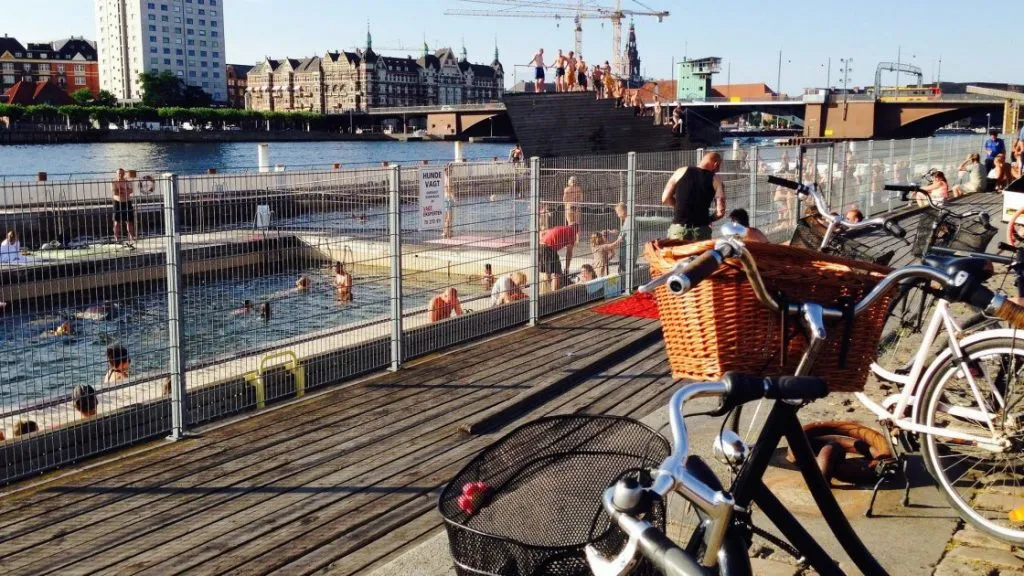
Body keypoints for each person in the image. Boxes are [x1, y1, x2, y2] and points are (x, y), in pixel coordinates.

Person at [661, 152, 726, 241]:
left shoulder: (680, 171)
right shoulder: (716, 180)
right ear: (715, 164)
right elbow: (720, 211)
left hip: (678, 230)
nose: (718, 170)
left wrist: (680, 207)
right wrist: (708, 219)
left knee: (677, 254)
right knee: (702, 255)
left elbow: (665, 199)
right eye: (718, 167)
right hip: (701, 230)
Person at [539, 223, 578, 290]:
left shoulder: (560, 227)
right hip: (549, 248)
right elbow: (569, 253)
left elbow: (542, 233)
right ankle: (554, 292)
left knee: (547, 270)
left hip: (540, 246)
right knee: (557, 272)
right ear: (577, 230)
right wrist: (567, 268)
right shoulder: (572, 233)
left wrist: (543, 240)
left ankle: (547, 290)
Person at [111, 168, 137, 247]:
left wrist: (121, 191)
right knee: (116, 222)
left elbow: (131, 191)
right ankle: (116, 238)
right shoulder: (114, 182)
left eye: (122, 173)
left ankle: (131, 237)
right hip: (117, 203)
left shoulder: (127, 182)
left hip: (127, 202)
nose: (120, 175)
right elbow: (115, 192)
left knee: (129, 221)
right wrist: (123, 191)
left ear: (124, 174)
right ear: (116, 174)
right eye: (119, 173)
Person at [442, 164, 456, 239]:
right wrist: (454, 198)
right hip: (448, 198)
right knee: (449, 217)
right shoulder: (449, 178)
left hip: (444, 198)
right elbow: (449, 189)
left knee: (446, 216)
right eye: (450, 170)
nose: (451, 171)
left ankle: (445, 232)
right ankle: (448, 232)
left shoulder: (443, 178)